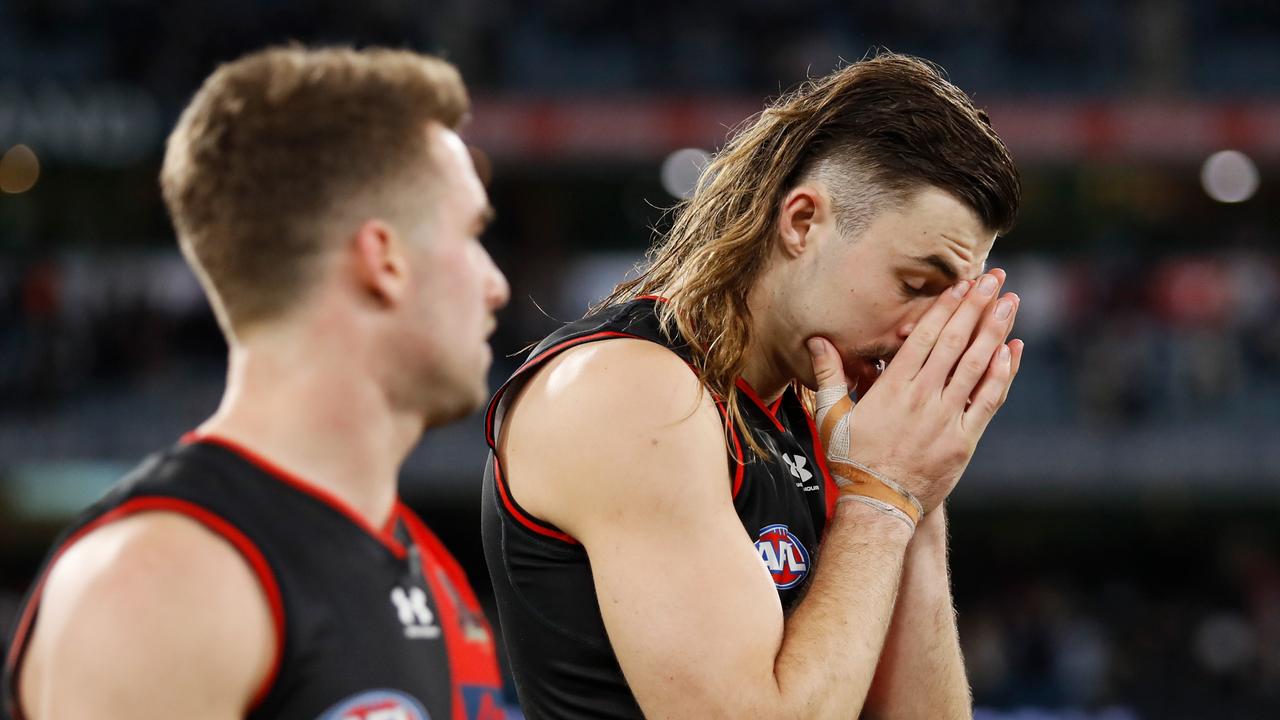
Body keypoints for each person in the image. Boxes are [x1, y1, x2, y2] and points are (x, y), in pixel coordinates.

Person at [481, 52, 1023, 718]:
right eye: (916, 285)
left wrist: (918, 496)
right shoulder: (630, 392)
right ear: (801, 222)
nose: (925, 332)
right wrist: (881, 503)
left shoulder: (826, 419)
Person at [4, 46, 510, 720]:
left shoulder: (423, 566)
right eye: (472, 234)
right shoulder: (160, 583)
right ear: (383, 258)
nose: (496, 283)